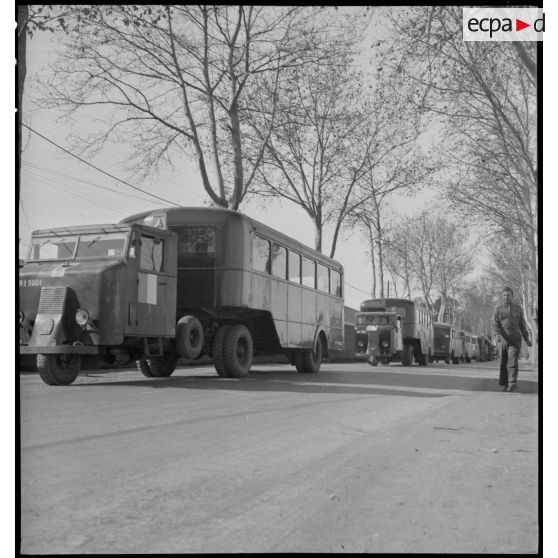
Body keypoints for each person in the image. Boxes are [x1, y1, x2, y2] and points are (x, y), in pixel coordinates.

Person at [492, 286, 532, 392]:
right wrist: (496, 335)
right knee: (503, 362)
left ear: (512, 296)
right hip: (503, 340)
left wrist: (527, 339)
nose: (506, 297)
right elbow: (495, 324)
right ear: (502, 296)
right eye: (504, 295)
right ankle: (505, 383)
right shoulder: (498, 309)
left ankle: (512, 382)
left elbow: (522, 324)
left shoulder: (518, 308)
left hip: (515, 339)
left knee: (513, 360)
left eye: (508, 295)